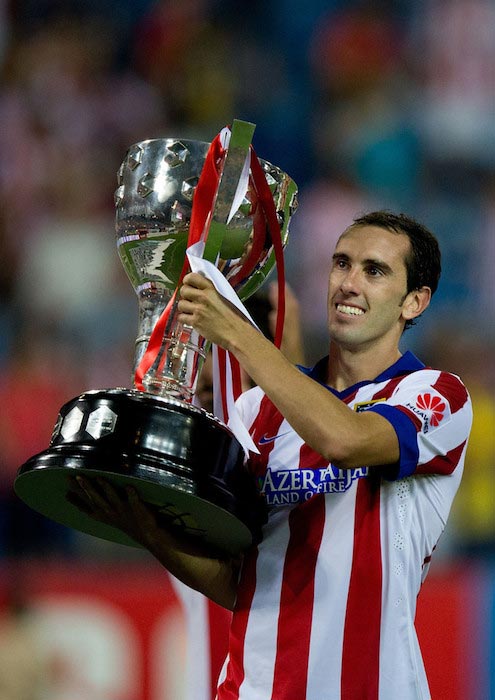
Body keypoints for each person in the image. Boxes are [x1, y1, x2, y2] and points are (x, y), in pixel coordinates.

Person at [69, 210, 473, 700]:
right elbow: (240, 580)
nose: (349, 283)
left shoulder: (436, 395)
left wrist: (238, 334)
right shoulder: (257, 410)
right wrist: (145, 527)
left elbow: (345, 440)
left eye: (375, 270)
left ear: (415, 301)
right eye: (341, 263)